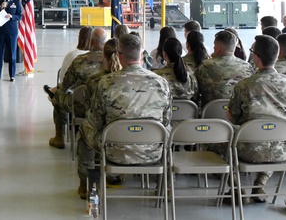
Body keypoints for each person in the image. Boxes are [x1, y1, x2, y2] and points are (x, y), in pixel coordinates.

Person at [76, 34, 170, 199]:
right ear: (141, 54)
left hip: (114, 150)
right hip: (154, 150)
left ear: (119, 56)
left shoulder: (106, 82)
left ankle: (87, 185)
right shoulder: (161, 82)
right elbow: (166, 120)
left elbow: (95, 121)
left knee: (85, 129)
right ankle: (165, 186)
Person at [227, 34, 286, 202]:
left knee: (219, 140)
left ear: (256, 58)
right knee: (272, 135)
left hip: (248, 149)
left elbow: (235, 117)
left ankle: (238, 188)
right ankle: (260, 183)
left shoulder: (244, 85)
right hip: (282, 149)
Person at [49, 27, 106, 149]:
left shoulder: (80, 60)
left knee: (58, 95)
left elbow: (64, 86)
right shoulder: (112, 60)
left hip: (82, 107)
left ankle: (59, 137)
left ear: (91, 42)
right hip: (105, 107)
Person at [196, 29, 253, 106]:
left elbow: (196, 91)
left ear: (218, 47)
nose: (213, 47)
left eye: (214, 45)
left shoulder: (205, 66)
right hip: (238, 113)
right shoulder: (247, 66)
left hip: (212, 113)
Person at [46, 25, 92, 100]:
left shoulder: (72, 55)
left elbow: (62, 76)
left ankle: (53, 91)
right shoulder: (101, 57)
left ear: (79, 38)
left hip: (73, 95)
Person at [155, 37, 198, 102]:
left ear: (164, 54)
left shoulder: (157, 76)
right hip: (187, 111)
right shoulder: (191, 78)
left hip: (167, 111)